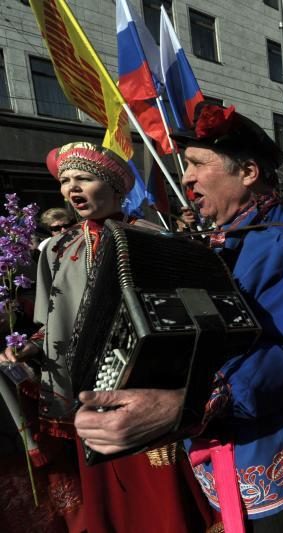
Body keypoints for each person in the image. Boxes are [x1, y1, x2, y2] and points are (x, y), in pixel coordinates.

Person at [73, 105, 283, 532]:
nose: (185, 177)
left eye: (196, 164)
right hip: (224, 438)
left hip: (262, 441)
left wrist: (186, 404)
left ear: (247, 172)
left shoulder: (280, 242)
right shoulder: (228, 238)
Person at [1, 142, 215, 532]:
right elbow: (54, 320)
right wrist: (29, 346)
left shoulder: (149, 239)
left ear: (116, 187)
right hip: (84, 393)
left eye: (83, 178)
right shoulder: (57, 250)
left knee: (159, 491)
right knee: (108, 492)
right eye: (65, 181)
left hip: (140, 387)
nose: (71, 188)